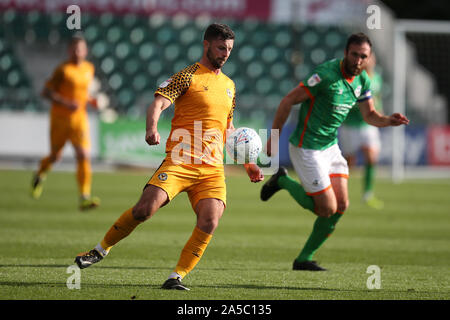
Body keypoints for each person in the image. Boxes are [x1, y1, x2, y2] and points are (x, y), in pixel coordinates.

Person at [74, 23, 264, 290]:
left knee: (210, 221)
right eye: (221, 47)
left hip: (211, 169)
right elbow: (159, 102)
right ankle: (99, 250)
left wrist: (249, 163)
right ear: (206, 44)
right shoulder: (187, 76)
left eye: (230, 49)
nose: (226, 53)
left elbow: (228, 130)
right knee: (144, 210)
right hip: (180, 162)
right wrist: (151, 127)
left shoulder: (230, 86)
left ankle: (176, 276)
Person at [260, 33, 409, 271]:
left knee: (341, 206)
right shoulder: (325, 76)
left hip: (330, 147)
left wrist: (388, 121)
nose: (359, 60)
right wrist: (274, 138)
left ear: (369, 58)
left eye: (364, 56)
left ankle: (304, 259)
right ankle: (283, 181)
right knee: (326, 208)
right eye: (355, 54)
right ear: (345, 52)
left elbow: (370, 114)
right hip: (306, 147)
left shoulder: (363, 81)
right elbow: (288, 101)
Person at [31, 35, 100, 211]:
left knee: (84, 155)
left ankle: (84, 197)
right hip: (60, 119)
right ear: (69, 51)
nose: (78, 52)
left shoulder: (89, 69)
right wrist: (65, 102)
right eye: (75, 49)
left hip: (79, 120)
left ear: (85, 51)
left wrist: (91, 101)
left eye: (81, 49)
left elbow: (82, 93)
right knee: (55, 156)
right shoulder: (63, 70)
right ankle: (40, 173)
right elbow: (45, 92)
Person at [340, 53, 384, 209]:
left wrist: (380, 115)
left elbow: (377, 99)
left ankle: (368, 194)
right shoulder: (354, 77)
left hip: (368, 125)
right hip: (350, 125)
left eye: (372, 58)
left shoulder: (377, 78)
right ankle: (339, 191)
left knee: (371, 157)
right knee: (348, 163)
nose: (370, 61)